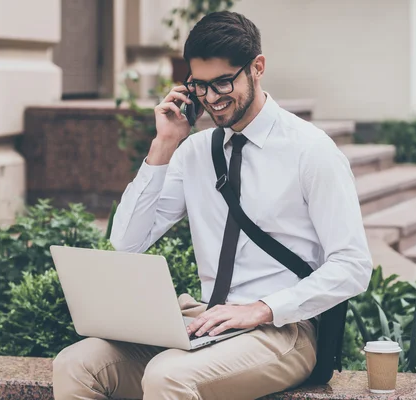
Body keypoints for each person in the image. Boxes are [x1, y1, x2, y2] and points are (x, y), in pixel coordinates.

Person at [53, 10, 373, 400]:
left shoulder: (311, 150)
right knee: (76, 365)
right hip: (206, 319)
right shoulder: (193, 152)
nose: (212, 98)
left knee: (168, 376)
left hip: (284, 330)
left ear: (257, 68)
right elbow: (126, 243)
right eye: (200, 85)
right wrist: (164, 145)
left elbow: (353, 266)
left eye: (223, 82)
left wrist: (263, 308)